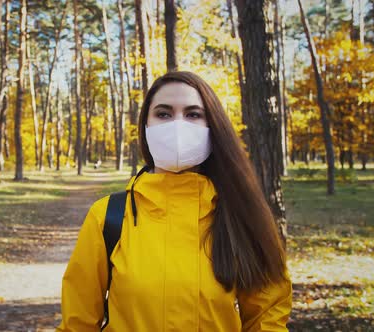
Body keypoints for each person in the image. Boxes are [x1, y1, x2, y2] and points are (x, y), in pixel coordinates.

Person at [57, 71, 292, 331]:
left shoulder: (240, 215)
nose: (178, 126)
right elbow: (77, 323)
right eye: (164, 114)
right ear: (146, 127)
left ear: (212, 128)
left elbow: (266, 317)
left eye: (193, 114)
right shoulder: (108, 217)